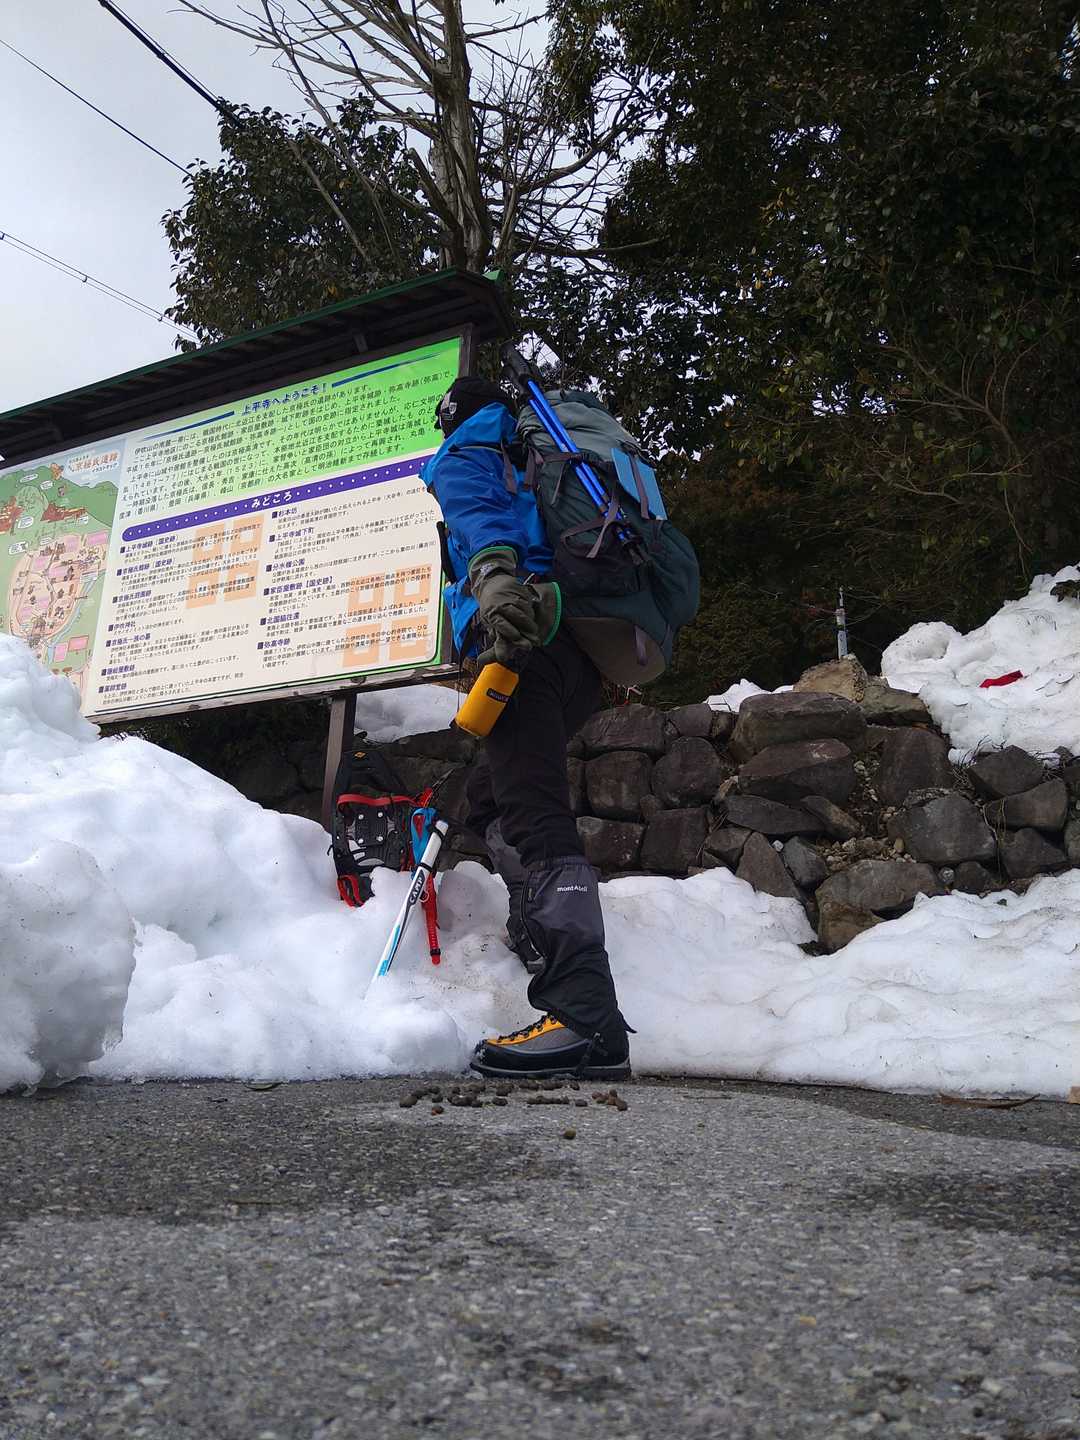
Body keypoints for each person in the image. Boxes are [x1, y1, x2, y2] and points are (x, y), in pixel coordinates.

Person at [421, 375, 631, 1081]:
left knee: (536, 816)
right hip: (576, 655)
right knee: (493, 798)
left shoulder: (466, 450)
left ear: (451, 415)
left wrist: (493, 584)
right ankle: (538, 934)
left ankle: (584, 1015)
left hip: (519, 641)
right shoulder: (532, 455)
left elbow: (480, 521)